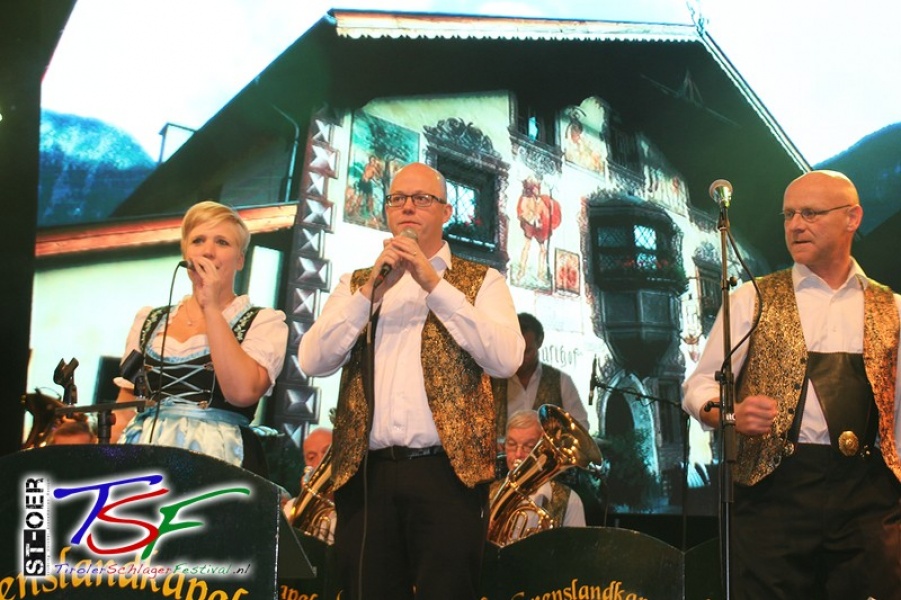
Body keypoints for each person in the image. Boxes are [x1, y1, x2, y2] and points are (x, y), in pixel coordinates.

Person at [298, 162, 524, 600]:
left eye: (422, 199)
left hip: (447, 475)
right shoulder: (357, 284)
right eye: (397, 199)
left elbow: (506, 359)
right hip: (368, 475)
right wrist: (370, 295)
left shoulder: (483, 281)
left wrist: (433, 284)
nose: (407, 208)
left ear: (446, 211)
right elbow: (312, 359)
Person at [682, 170, 901, 600]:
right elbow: (700, 384)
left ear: (852, 218)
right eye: (789, 215)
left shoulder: (891, 307)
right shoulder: (751, 299)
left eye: (811, 213)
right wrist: (729, 413)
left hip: (867, 495)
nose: (796, 225)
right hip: (774, 493)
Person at [111, 200, 288, 477]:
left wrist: (212, 308)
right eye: (198, 241)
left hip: (220, 459)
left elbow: (242, 393)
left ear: (240, 260)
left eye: (222, 242)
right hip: (145, 459)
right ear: (186, 253)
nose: (208, 251)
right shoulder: (150, 320)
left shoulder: (263, 322)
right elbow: (124, 410)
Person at [490, 410, 585, 543]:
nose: (518, 454)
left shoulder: (571, 501)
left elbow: (576, 551)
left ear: (542, 449)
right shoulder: (488, 495)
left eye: (529, 446)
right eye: (511, 444)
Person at [492, 312, 590, 441]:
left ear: (540, 341)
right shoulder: (492, 381)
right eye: (514, 351)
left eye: (527, 351)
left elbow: (580, 427)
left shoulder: (561, 381)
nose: (520, 358)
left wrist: (559, 441)